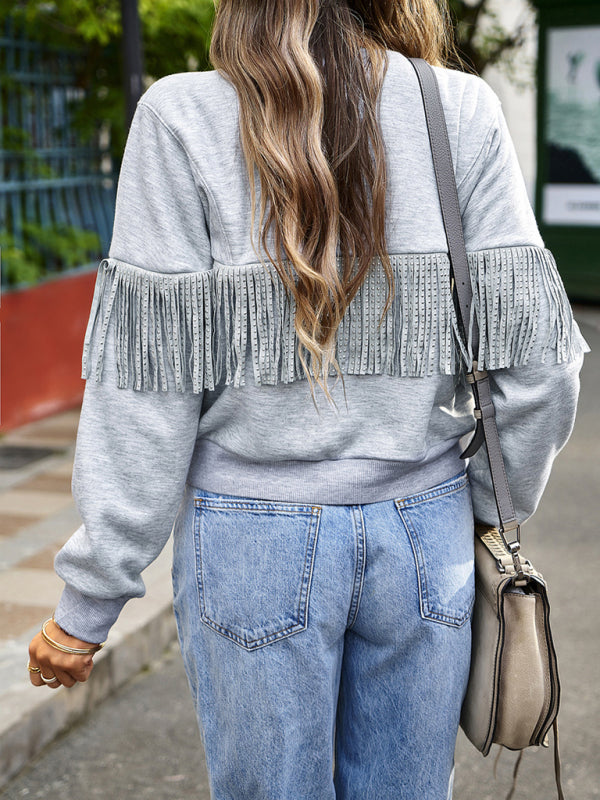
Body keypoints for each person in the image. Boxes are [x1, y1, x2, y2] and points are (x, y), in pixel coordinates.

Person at [27, 1, 590, 798]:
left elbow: (146, 390)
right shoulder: (456, 108)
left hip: (248, 537)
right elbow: (542, 367)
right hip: (424, 528)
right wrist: (483, 506)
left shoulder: (181, 115)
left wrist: (89, 600)